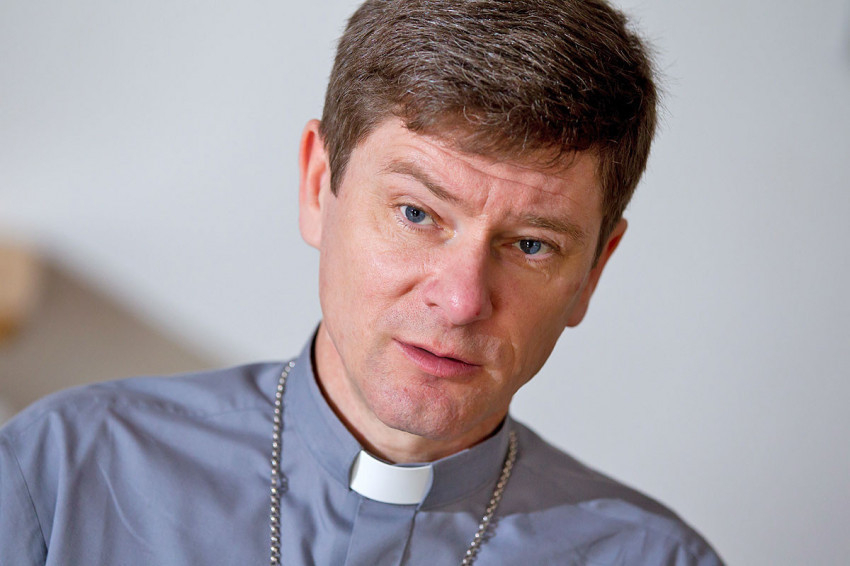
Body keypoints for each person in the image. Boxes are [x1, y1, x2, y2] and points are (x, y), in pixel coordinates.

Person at [0, 0, 725, 564]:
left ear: (593, 271)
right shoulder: (60, 474)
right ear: (318, 185)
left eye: (532, 245)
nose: (462, 300)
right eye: (417, 213)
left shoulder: (656, 558)